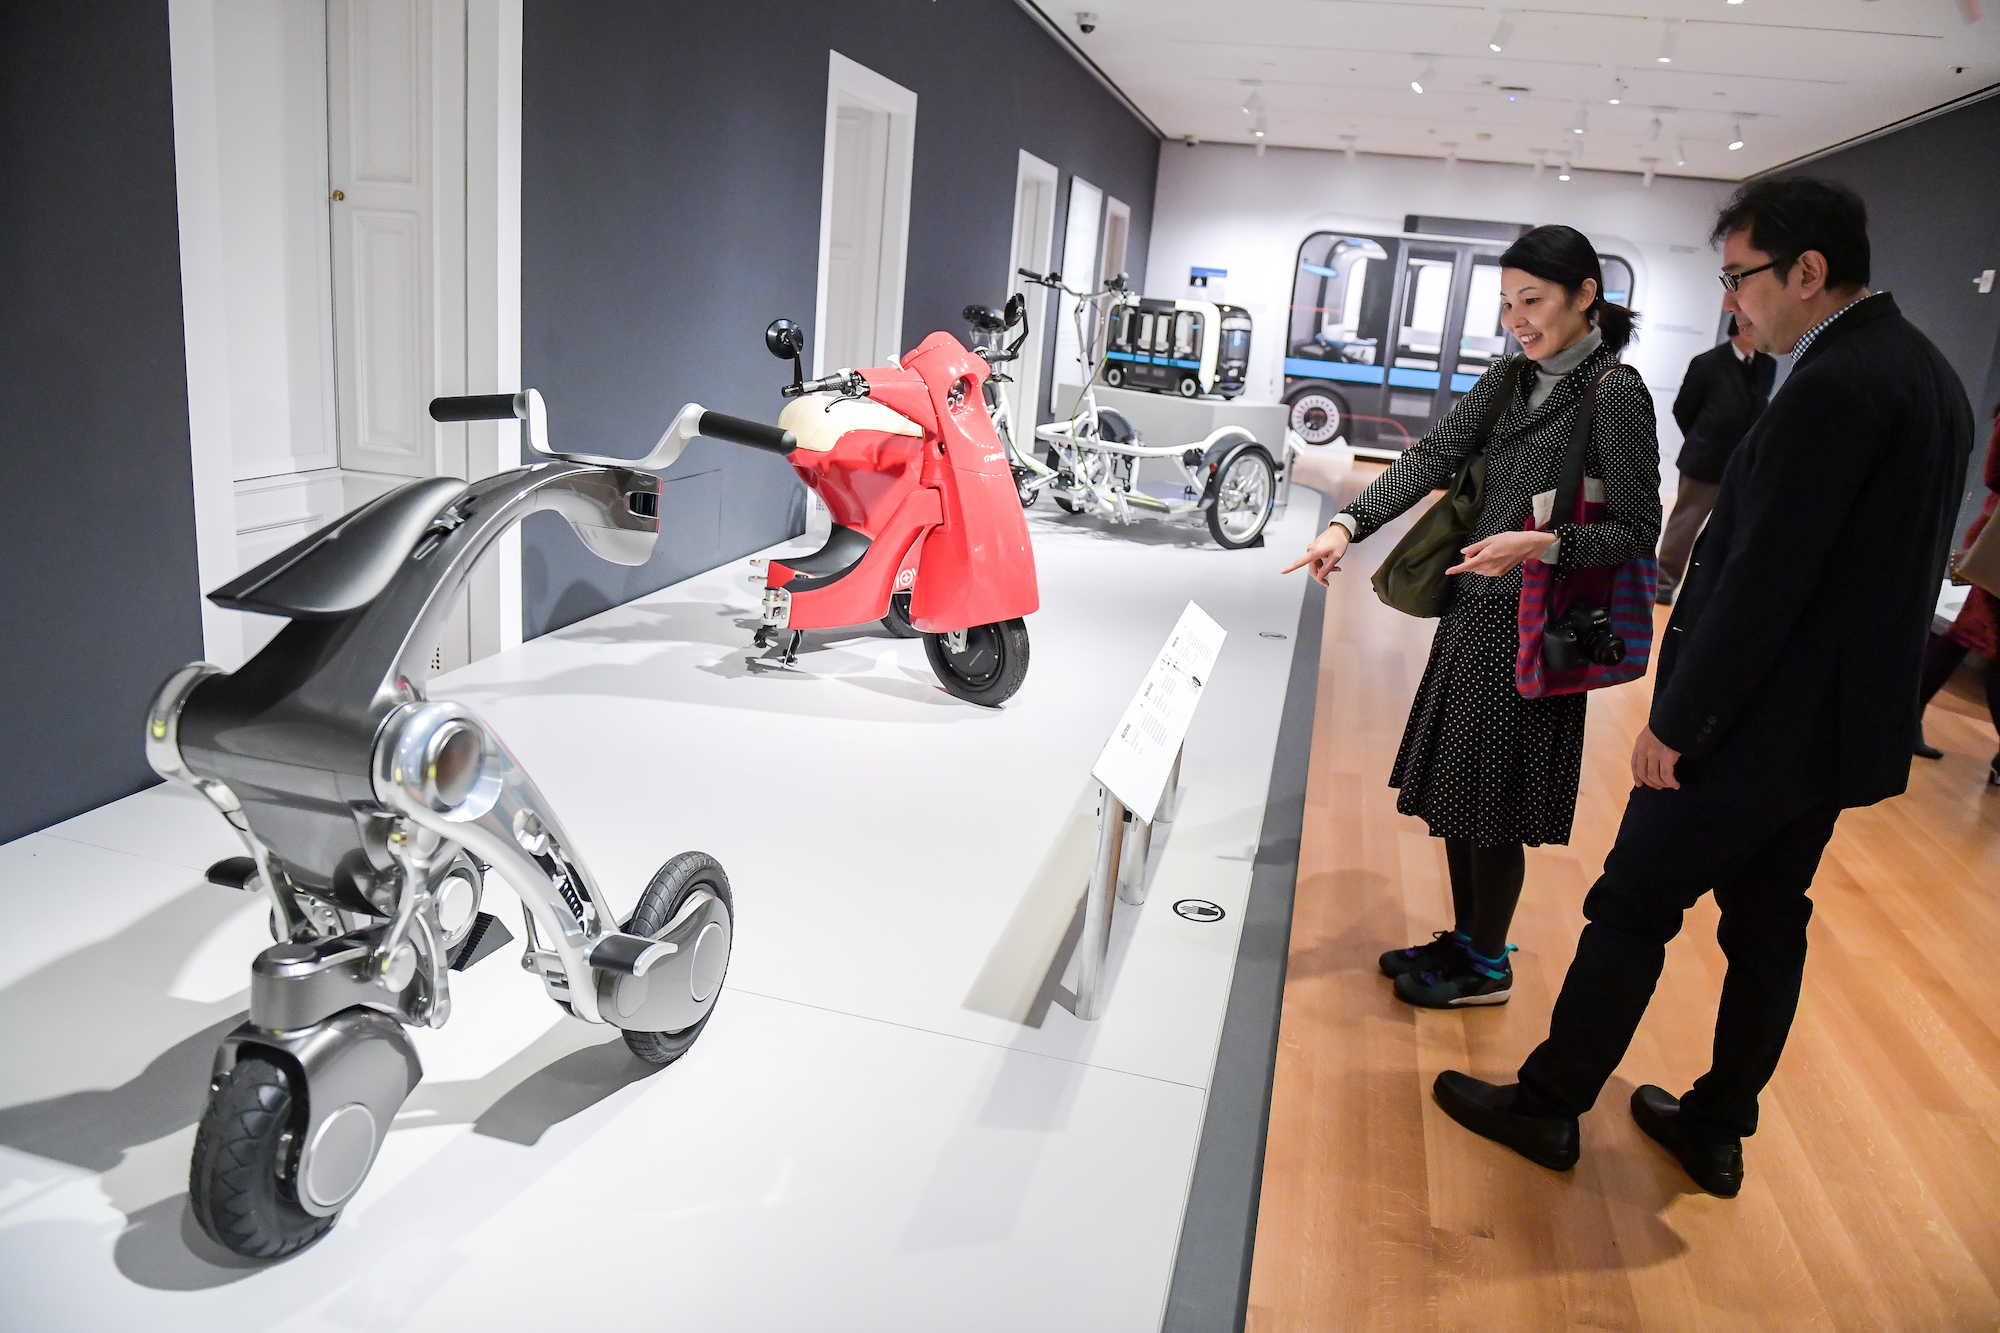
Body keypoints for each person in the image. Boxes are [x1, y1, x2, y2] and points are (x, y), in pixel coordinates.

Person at [1429, 177, 1976, 1197]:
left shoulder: (1828, 386)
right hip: (1835, 733)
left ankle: (1549, 1106)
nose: (1731, 302)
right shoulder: (1927, 377)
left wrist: (1677, 723)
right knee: (1769, 923)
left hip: (1748, 731)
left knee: (1630, 906)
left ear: (1806, 272)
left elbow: (1763, 578)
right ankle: (1717, 1124)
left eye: (1738, 278)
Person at [1282, 225, 1661, 1009]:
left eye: (1533, 301)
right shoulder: (1512, 376)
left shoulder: (1615, 391)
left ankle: (1487, 964)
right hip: (1475, 612)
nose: (1516, 319)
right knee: (1462, 791)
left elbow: (1637, 529)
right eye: (1506, 303)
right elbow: (1431, 457)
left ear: (1586, 295)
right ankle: (1467, 938)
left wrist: (1545, 544)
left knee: (1497, 806)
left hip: (1534, 628)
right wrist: (1346, 524)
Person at [1658, 315, 1776, 605]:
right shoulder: (1708, 362)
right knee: (1685, 524)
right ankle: (1663, 583)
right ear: (1744, 328)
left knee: (1731, 529)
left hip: (1744, 463)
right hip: (1705, 460)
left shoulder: (1767, 365)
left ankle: (1713, 591)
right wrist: (1702, 439)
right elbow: (1683, 408)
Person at [1914, 403, 2000, 783]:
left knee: (1965, 637)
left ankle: (1900, 719)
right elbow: (1994, 472)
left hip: (1993, 544)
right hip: (1996, 545)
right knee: (1979, 638)